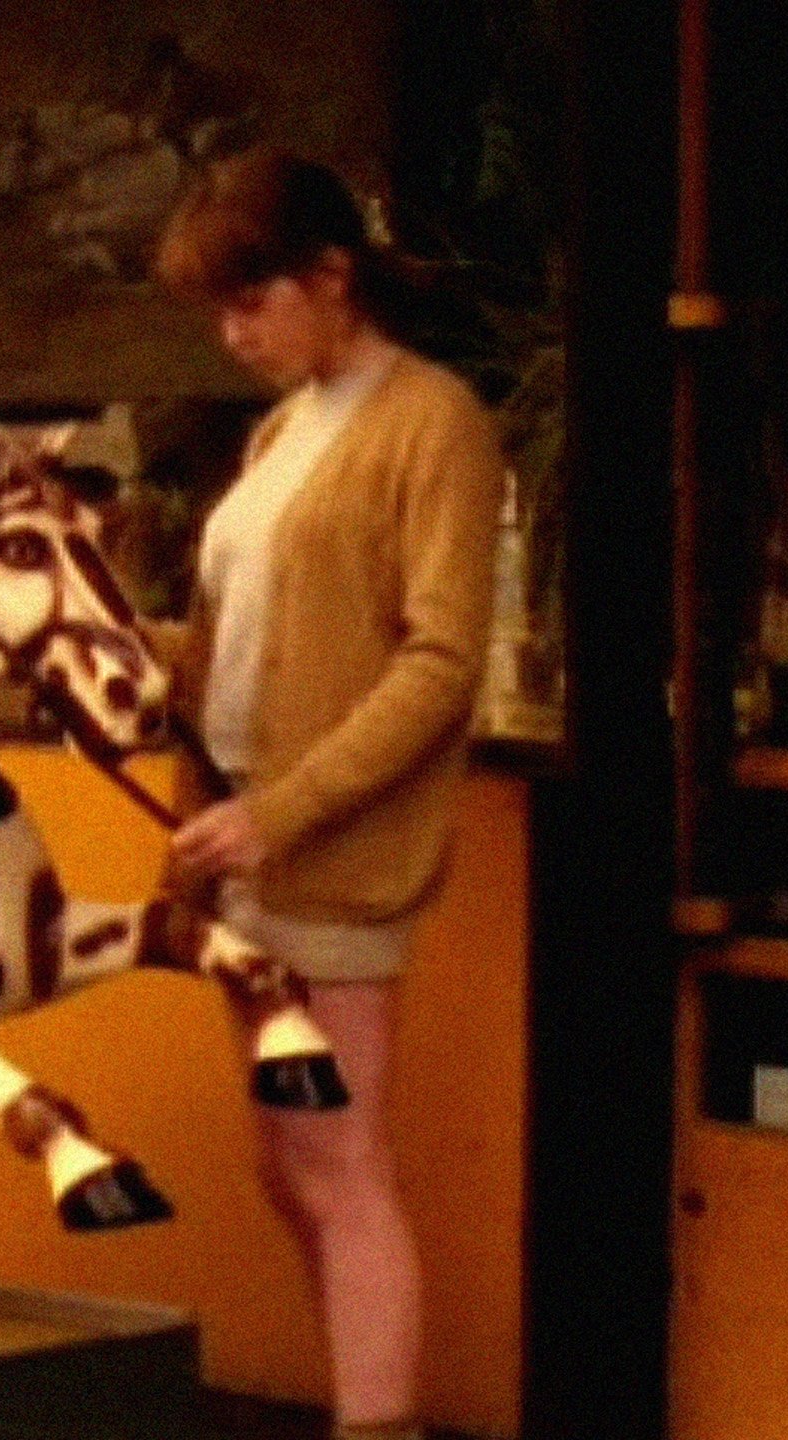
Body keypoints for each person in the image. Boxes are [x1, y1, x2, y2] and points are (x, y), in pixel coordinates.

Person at [151, 148, 503, 1440]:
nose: (233, 335)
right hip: (246, 848)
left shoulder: (434, 423)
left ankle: (376, 1423)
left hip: (332, 859)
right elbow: (231, 640)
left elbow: (443, 664)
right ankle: (366, 1406)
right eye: (220, 310)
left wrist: (281, 811)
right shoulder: (278, 431)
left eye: (253, 302)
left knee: (338, 1160)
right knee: (286, 1163)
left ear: (333, 276)